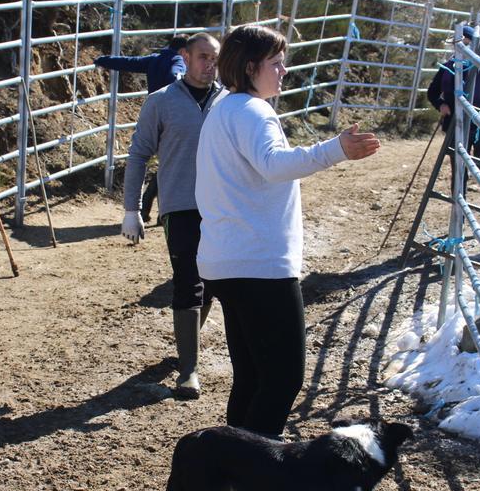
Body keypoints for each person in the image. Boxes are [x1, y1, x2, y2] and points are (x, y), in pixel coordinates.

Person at [196, 24, 380, 438]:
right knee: (282, 378)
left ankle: (230, 466)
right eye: (276, 63)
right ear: (250, 67)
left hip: (227, 260)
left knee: (252, 377)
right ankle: (253, 470)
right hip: (258, 263)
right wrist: (335, 149)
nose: (284, 71)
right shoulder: (252, 110)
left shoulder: (222, 109)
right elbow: (274, 164)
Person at [120, 33, 224, 400]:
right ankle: (189, 369)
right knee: (188, 280)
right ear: (185, 57)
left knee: (212, 282)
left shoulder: (229, 102)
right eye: (203, 56)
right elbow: (139, 154)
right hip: (180, 206)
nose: (209, 64)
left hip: (223, 207)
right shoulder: (161, 101)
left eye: (215, 58)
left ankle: (186, 345)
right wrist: (131, 209)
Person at [96, 35, 188, 222]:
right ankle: (156, 209)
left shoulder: (154, 59)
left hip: (154, 116)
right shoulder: (179, 61)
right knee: (170, 165)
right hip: (174, 118)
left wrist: (103, 60)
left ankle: (153, 210)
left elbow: (129, 62)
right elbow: (176, 74)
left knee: (164, 163)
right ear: (183, 51)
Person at [425, 24, 480, 222]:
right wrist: (441, 104)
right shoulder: (448, 67)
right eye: (458, 43)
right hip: (457, 125)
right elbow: (432, 92)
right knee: (459, 171)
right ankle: (458, 218)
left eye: (466, 43)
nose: (461, 47)